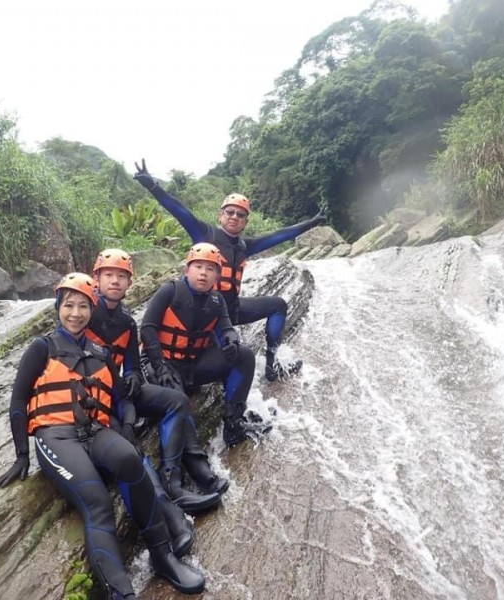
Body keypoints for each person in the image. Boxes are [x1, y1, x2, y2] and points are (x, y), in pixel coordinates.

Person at [0, 272, 205, 599]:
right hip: (56, 437)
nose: (75, 313)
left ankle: (163, 557)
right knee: (99, 503)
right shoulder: (42, 347)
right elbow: (19, 400)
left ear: (92, 310)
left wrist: (128, 428)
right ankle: (121, 592)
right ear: (58, 308)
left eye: (82, 306)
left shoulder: (101, 352)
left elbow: (121, 399)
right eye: (68, 306)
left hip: (95, 430)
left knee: (131, 462)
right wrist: (22, 454)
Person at [134, 159, 327, 381]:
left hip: (231, 310)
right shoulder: (205, 234)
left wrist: (312, 222)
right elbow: (179, 210)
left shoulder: (247, 246)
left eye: (240, 214)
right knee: (230, 354)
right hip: (205, 314)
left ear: (245, 221)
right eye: (230, 212)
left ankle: (272, 364)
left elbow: (280, 234)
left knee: (278, 306)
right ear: (221, 215)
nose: (234, 217)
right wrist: (152, 186)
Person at [87, 248, 226, 514]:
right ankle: (168, 504)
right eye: (108, 275)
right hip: (92, 400)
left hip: (116, 392)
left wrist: (132, 376)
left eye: (121, 276)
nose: (115, 281)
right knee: (129, 439)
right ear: (97, 278)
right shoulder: (81, 312)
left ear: (130, 282)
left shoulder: (127, 322)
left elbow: (132, 364)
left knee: (177, 401)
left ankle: (173, 481)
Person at [140, 242, 266, 448]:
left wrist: (231, 340)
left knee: (244, 356)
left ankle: (233, 423)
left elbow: (226, 328)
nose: (203, 273)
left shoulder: (216, 301)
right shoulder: (168, 291)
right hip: (164, 366)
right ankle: (187, 462)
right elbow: (147, 329)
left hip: (193, 366)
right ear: (187, 269)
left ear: (216, 276)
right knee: (178, 404)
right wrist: (160, 365)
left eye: (210, 269)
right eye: (198, 267)